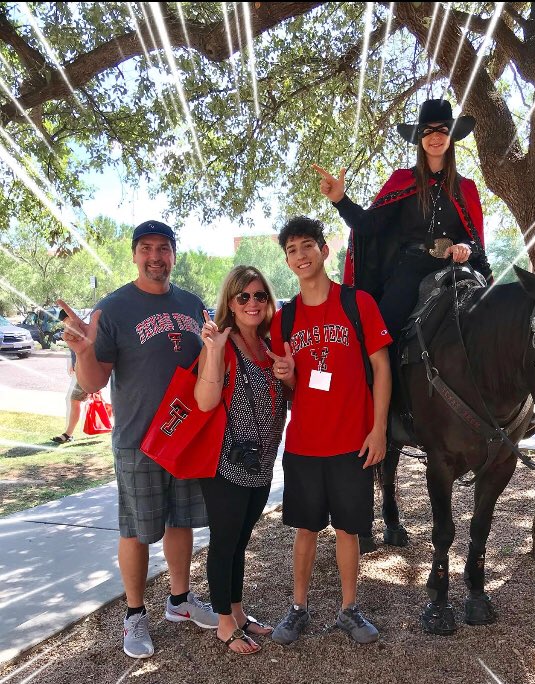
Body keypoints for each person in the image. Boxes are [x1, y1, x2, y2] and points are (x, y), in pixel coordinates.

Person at [58, 220, 218, 659]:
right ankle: (134, 614)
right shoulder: (113, 309)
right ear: (133, 255)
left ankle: (180, 603)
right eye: (146, 248)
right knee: (136, 530)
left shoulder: (191, 303)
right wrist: (83, 351)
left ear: (172, 254)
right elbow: (92, 384)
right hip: (137, 440)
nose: (155, 257)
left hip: (184, 435)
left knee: (181, 521)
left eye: (163, 248)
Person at [268, 216, 392, 645]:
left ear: (324, 250)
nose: (300, 256)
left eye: (307, 246)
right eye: (291, 250)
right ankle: (298, 608)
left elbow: (382, 366)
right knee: (305, 528)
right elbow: (289, 380)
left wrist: (378, 430)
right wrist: (285, 373)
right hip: (304, 443)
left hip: (351, 441)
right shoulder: (284, 318)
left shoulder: (357, 303)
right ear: (286, 260)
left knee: (347, 529)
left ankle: (349, 609)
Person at [313, 98, 492, 340]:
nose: (435, 136)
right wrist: (340, 199)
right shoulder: (402, 180)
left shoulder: (466, 188)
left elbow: (474, 240)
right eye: (428, 131)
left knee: (490, 325)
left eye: (442, 130)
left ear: (451, 136)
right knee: (381, 333)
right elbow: (368, 224)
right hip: (411, 269)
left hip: (455, 266)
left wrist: (465, 247)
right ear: (420, 138)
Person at [194, 266, 287, 656]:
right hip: (226, 463)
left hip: (261, 463)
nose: (252, 303)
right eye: (243, 296)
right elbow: (205, 402)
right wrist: (214, 354)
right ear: (230, 303)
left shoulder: (269, 345)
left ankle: (237, 610)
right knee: (225, 541)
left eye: (259, 295)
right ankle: (224, 623)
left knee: (240, 540)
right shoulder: (221, 342)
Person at [52, 309, 89, 444]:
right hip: (82, 370)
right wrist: (71, 363)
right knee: (73, 400)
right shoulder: (73, 327)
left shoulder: (79, 327)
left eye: (65, 321)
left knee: (74, 400)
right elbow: (73, 349)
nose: (65, 324)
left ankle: (68, 434)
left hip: (86, 371)